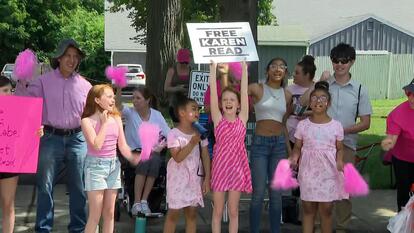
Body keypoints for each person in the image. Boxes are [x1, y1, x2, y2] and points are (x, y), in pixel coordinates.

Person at [15, 38, 92, 233]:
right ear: (59, 58)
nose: (72, 60)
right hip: (50, 138)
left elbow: (93, 114)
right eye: (68, 55)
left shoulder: (85, 85)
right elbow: (25, 103)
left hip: (78, 139)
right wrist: (23, 81)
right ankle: (43, 228)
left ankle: (78, 229)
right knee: (45, 186)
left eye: (75, 57)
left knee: (78, 187)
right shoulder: (42, 81)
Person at [300, 43, 372, 233]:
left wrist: (340, 131)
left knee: (344, 192)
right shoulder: (325, 85)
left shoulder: (360, 89)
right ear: (331, 61)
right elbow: (302, 102)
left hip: (345, 145)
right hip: (316, 145)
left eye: (344, 61)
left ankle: (341, 228)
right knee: (315, 188)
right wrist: (318, 84)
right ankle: (314, 227)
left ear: (352, 62)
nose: (339, 65)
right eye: (335, 61)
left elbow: (366, 123)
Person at [81, 84, 140, 233]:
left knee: (110, 213)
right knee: (95, 215)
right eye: (108, 96)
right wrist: (104, 124)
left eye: (113, 97)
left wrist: (134, 157)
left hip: (114, 166)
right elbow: (97, 145)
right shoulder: (87, 121)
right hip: (95, 167)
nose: (113, 100)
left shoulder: (117, 118)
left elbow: (122, 145)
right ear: (97, 100)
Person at [291, 81, 348, 233]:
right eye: (314, 98)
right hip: (308, 171)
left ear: (328, 103)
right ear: (309, 102)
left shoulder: (336, 125)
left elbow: (340, 149)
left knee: (327, 209)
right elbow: (297, 146)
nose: (318, 101)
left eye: (323, 98)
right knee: (308, 208)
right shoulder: (303, 125)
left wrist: (340, 160)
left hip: (328, 172)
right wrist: (294, 158)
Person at [248, 57, 292, 233]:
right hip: (260, 144)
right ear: (267, 71)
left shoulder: (287, 94)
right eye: (273, 66)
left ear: (285, 72)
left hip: (279, 145)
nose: (277, 69)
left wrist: (289, 149)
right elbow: (235, 93)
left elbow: (284, 123)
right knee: (258, 193)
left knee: (276, 194)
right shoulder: (257, 88)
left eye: (282, 66)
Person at [209, 60, 251, 233]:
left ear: (239, 104)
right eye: (225, 99)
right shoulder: (218, 120)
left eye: (232, 99)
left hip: (237, 169)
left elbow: (244, 90)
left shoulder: (243, 119)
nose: (228, 102)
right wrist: (212, 70)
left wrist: (244, 71)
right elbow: (213, 92)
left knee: (233, 211)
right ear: (221, 104)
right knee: (218, 211)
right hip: (220, 168)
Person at [115, 86, 170, 215]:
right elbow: (117, 106)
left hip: (151, 152)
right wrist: (118, 89)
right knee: (145, 160)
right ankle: (136, 203)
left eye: (138, 98)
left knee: (155, 160)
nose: (134, 101)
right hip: (133, 153)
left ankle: (144, 201)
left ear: (147, 100)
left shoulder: (157, 115)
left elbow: (168, 133)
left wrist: (163, 145)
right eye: (133, 98)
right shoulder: (130, 113)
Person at [0, 76, 43, 233]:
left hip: (9, 163)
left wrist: (37, 133)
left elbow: (26, 136)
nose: (9, 94)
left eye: (10, 90)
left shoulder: (18, 109)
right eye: (5, 91)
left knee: (8, 204)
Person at [163, 96, 210, 233]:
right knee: (174, 213)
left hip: (194, 179)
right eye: (193, 109)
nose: (197, 112)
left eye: (198, 109)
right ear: (182, 112)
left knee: (191, 213)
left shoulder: (200, 133)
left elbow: (205, 155)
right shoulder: (173, 134)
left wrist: (207, 178)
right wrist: (192, 143)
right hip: (178, 179)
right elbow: (177, 157)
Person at [381, 78, 414, 212]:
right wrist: (387, 145)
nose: (411, 98)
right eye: (409, 94)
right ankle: (402, 225)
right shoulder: (398, 114)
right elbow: (391, 139)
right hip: (403, 159)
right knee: (404, 195)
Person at [286, 55, 316, 146]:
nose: (293, 75)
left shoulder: (318, 88)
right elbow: (293, 111)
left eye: (297, 73)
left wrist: (305, 113)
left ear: (307, 75)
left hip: (312, 137)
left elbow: (325, 112)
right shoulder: (289, 89)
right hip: (291, 136)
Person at [164, 48, 192, 122]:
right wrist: (178, 88)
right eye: (182, 62)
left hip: (188, 103)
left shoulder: (191, 70)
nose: (184, 64)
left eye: (186, 63)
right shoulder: (172, 70)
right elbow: (166, 88)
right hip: (175, 103)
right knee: (177, 126)